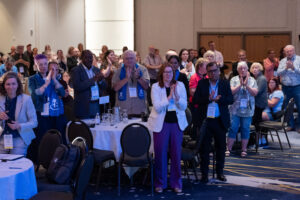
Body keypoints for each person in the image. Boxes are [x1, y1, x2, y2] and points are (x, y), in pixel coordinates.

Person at [148, 64, 188, 193]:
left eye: (170, 72)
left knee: (176, 155)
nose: (168, 74)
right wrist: (169, 96)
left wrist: (176, 95)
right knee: (160, 154)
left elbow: (183, 106)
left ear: (173, 73)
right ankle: (160, 183)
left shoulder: (180, 85)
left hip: (176, 124)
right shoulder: (155, 87)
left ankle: (176, 183)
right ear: (161, 74)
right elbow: (158, 107)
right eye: (165, 72)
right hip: (161, 124)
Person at [193, 62, 233, 183]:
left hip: (220, 120)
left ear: (219, 71)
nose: (212, 73)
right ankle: (204, 174)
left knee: (221, 148)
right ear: (207, 72)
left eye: (215, 70)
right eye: (210, 71)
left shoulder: (225, 84)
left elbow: (230, 99)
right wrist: (209, 99)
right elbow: (195, 100)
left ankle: (220, 172)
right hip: (206, 121)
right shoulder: (202, 83)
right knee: (204, 149)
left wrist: (219, 100)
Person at [28, 55, 66, 161]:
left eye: (45, 64)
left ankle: (58, 161)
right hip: (42, 114)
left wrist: (53, 79)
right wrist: (47, 83)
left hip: (56, 113)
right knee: (43, 140)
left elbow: (62, 93)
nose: (43, 66)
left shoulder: (55, 78)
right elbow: (35, 95)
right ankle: (44, 162)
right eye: (40, 64)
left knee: (58, 139)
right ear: (36, 66)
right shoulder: (32, 79)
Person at [0, 72, 37, 155]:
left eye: (13, 84)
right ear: (4, 86)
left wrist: (19, 125)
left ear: (18, 85)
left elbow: (34, 122)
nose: (11, 87)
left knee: (16, 164)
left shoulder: (26, 99)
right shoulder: (0, 99)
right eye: (8, 84)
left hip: (20, 137)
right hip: (2, 138)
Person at [226, 61, 258, 157]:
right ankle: (228, 148)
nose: (243, 70)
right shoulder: (233, 79)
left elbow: (254, 93)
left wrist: (246, 85)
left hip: (247, 109)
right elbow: (231, 92)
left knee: (245, 129)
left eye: (244, 68)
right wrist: (240, 85)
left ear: (247, 69)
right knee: (233, 128)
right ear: (237, 70)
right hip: (235, 109)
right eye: (240, 68)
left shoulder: (252, 80)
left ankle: (244, 150)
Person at [112, 50, 149, 116]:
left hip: (140, 110)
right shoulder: (118, 71)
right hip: (123, 110)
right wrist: (126, 78)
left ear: (135, 59)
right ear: (123, 60)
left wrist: (138, 78)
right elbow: (115, 88)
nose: (129, 60)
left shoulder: (143, 70)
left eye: (131, 58)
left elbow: (146, 86)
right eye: (127, 58)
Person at [71, 50, 106, 119]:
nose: (89, 59)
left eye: (91, 57)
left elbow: (104, 86)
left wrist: (101, 80)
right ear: (81, 59)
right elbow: (77, 86)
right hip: (84, 105)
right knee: (85, 128)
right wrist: (93, 80)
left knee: (97, 126)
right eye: (86, 57)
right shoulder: (76, 70)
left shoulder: (96, 70)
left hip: (96, 103)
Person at [277, 45, 300, 133]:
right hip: (285, 86)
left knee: (299, 106)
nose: (289, 53)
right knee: (287, 106)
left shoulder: (299, 59)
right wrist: (286, 68)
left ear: (294, 51)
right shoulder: (282, 61)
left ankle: (298, 125)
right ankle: (290, 125)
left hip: (297, 86)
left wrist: (293, 68)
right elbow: (278, 72)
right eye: (287, 51)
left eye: (290, 51)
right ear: (285, 52)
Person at [250, 63, 267, 133]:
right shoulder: (256, 78)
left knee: (256, 122)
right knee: (255, 121)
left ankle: (258, 139)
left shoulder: (262, 78)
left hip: (259, 103)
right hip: (256, 103)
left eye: (256, 68)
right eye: (253, 68)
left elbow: (257, 92)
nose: (254, 69)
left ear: (260, 69)